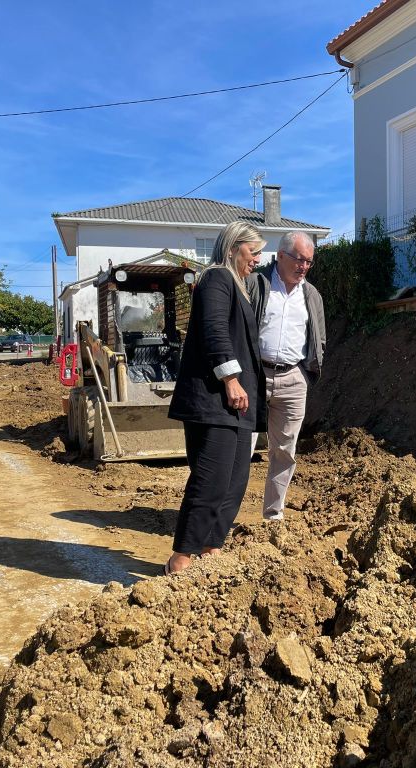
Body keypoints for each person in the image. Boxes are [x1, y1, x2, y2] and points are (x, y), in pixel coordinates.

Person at [165, 221, 266, 574]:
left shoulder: (241, 286)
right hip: (214, 399)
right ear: (233, 247)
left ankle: (211, 549)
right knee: (211, 480)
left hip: (236, 404)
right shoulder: (217, 278)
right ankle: (180, 559)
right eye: (253, 251)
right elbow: (214, 331)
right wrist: (231, 379)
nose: (258, 259)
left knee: (234, 482)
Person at [246, 231, 326, 521]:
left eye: (309, 261)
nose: (303, 266)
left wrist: (305, 373)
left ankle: (273, 515)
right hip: (254, 376)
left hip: (293, 378)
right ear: (280, 256)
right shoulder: (256, 284)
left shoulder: (311, 295)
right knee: (241, 447)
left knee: (284, 451)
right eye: (299, 259)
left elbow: (319, 337)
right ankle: (223, 514)